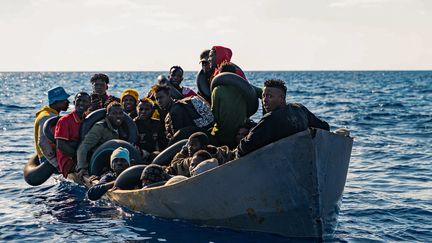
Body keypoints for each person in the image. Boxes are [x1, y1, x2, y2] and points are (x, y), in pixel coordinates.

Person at [236, 79, 330, 158]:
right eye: (263, 96)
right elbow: (324, 127)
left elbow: (245, 148)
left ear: (282, 98)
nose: (265, 100)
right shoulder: (300, 109)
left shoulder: (269, 119)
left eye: (269, 96)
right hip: (301, 156)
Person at [76, 101, 128, 180]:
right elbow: (83, 147)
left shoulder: (124, 127)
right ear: (108, 115)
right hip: (99, 164)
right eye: (114, 113)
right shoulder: (100, 127)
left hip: (118, 162)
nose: (118, 116)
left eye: (120, 113)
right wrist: (82, 168)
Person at [210, 61, 249, 148]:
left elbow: (214, 115)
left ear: (220, 75)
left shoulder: (217, 90)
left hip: (223, 136)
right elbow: (261, 92)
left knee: (211, 132)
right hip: (240, 135)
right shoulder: (243, 88)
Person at [55, 92, 91, 178]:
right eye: (79, 100)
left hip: (82, 157)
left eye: (85, 101)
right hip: (68, 161)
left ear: (89, 104)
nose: (81, 103)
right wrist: (80, 157)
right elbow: (60, 144)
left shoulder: (88, 119)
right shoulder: (65, 121)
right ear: (74, 103)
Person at [34, 86, 70, 170]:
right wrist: (56, 164)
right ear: (56, 102)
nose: (68, 102)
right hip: (47, 160)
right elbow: (42, 143)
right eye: (64, 100)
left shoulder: (48, 113)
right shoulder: (47, 117)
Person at [166, 132, 233, 177]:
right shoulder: (221, 154)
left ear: (204, 146)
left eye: (194, 145)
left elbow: (175, 165)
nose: (189, 148)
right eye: (189, 145)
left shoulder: (194, 160)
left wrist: (182, 153)